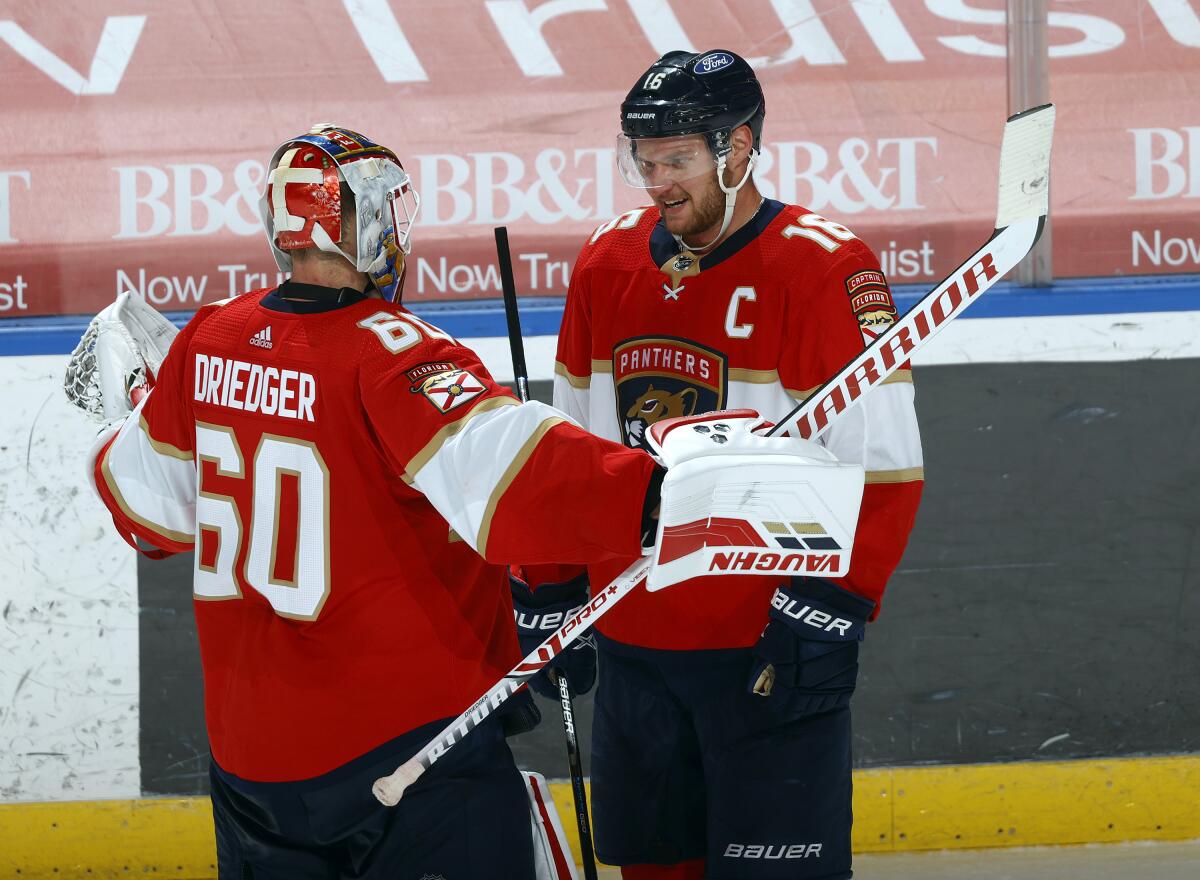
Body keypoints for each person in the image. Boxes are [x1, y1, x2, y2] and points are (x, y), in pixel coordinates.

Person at [81, 124, 667, 879]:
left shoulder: (209, 340)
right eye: (385, 210)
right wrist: (663, 490)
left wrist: (120, 419)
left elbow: (146, 513)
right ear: (362, 224)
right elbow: (517, 471)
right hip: (409, 754)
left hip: (252, 763)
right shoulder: (391, 352)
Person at [544, 51, 925, 880]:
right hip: (633, 643)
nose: (657, 183)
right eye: (643, 162)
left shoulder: (824, 268)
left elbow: (886, 469)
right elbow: (568, 440)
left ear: (739, 148)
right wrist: (546, 583)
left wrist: (833, 606)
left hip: (764, 650)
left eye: (676, 160)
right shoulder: (606, 262)